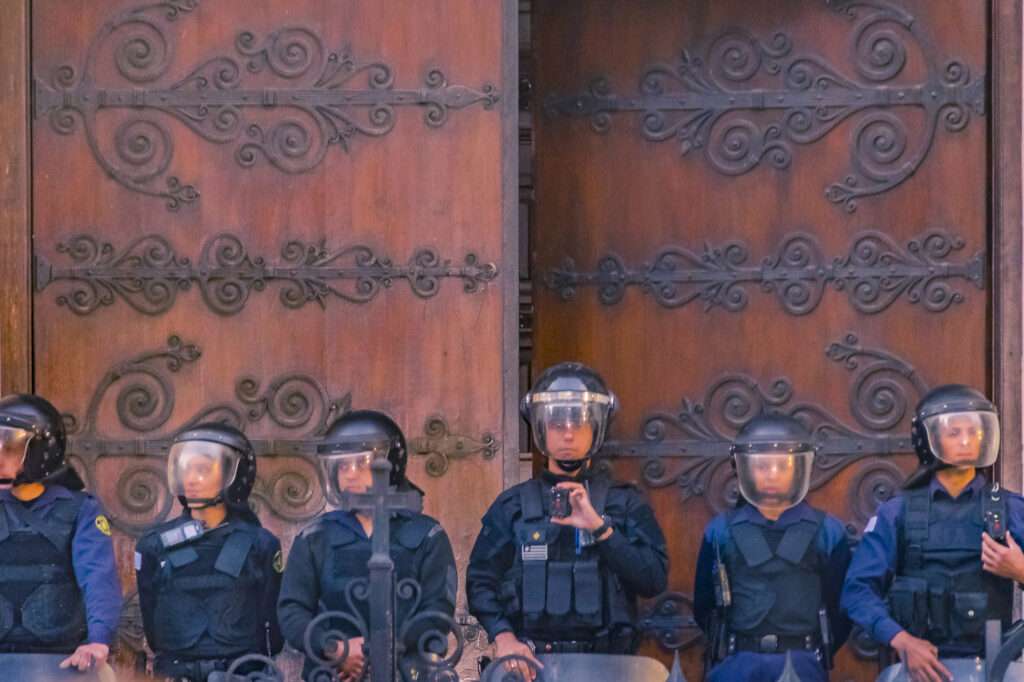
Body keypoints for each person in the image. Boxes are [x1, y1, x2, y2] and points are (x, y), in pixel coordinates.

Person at [466, 362, 669, 680]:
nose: (569, 433)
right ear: (541, 428)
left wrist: (601, 529)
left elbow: (654, 580)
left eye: (580, 423)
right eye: (558, 423)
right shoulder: (512, 506)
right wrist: (503, 638)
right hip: (532, 667)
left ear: (597, 429)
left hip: (609, 668)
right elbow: (480, 581)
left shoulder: (625, 504)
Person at [842, 384, 1024, 682]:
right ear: (929, 439)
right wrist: (902, 640)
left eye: (974, 432)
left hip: (996, 668)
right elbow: (857, 591)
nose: (966, 440)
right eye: (954, 433)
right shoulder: (896, 512)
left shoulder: (1011, 509)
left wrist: (1020, 570)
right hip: (918, 671)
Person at [278, 410, 458, 681]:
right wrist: (334, 648)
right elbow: (292, 610)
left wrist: (379, 650)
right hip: (332, 673)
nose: (350, 474)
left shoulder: (426, 535)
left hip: (406, 672)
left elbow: (438, 611)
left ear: (390, 467)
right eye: (342, 466)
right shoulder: (314, 537)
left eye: (361, 465)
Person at [693, 412, 852, 682]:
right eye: (762, 466)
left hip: (802, 663)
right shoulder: (720, 531)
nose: (772, 475)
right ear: (743, 468)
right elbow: (704, 606)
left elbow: (842, 610)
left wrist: (808, 652)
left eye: (783, 466)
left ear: (799, 468)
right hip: (736, 664)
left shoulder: (828, 531)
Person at [135, 423, 283, 680]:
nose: (190, 479)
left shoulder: (261, 545)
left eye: (202, 469)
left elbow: (272, 631)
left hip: (240, 674)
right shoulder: (153, 545)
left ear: (234, 475)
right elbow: (153, 629)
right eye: (186, 469)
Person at [0, 393, 122, 671]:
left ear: (39, 451)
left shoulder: (79, 510)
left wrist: (99, 641)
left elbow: (98, 578)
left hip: (59, 663)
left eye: (9, 448)